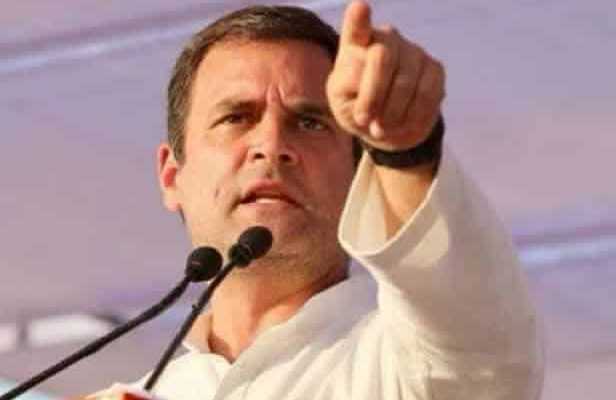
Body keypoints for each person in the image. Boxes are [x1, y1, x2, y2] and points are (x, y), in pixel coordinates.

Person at [96, 1, 544, 399]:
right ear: (172, 176)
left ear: (358, 176)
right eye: (236, 117)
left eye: (310, 123)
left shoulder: (409, 365)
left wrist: (406, 150)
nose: (271, 145)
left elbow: (480, 344)